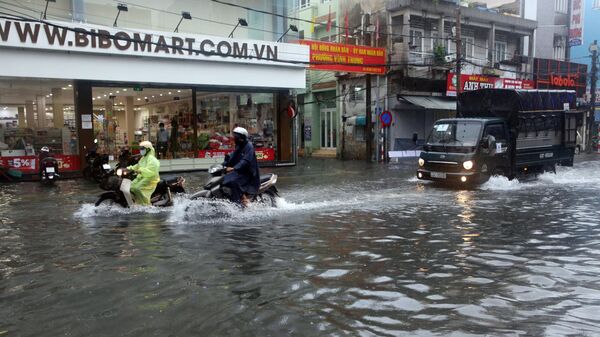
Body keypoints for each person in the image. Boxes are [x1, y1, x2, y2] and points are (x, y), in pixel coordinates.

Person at [222, 127, 260, 207]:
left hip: (248, 173)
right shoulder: (239, 146)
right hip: (239, 171)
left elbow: (245, 161)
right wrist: (224, 164)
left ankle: (240, 203)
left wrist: (234, 168)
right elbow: (233, 157)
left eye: (236, 136)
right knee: (224, 179)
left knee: (234, 181)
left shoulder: (249, 147)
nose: (234, 138)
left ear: (241, 138)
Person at [126, 141, 160, 206]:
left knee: (137, 188)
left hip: (151, 179)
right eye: (140, 148)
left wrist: (140, 171)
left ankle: (146, 205)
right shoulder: (143, 158)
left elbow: (151, 172)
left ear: (148, 149)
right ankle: (136, 202)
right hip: (142, 177)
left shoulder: (152, 160)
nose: (141, 150)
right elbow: (137, 166)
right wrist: (128, 168)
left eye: (142, 149)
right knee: (130, 187)